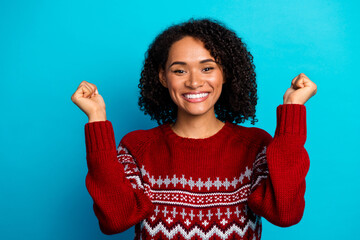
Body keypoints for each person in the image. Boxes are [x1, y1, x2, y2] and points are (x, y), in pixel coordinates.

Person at [71, 18, 317, 240]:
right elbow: (116, 220)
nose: (194, 81)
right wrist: (96, 118)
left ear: (225, 74)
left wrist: (292, 109)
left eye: (207, 68)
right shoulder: (137, 148)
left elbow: (284, 214)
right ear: (163, 77)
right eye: (179, 70)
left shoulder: (255, 146)